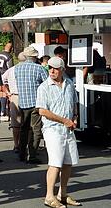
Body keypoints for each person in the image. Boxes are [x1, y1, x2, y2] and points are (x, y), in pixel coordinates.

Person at [36, 57, 80, 208]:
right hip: (52, 129)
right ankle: (49, 196)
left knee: (68, 162)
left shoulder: (69, 84)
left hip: (68, 129)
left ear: (62, 69)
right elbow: (42, 111)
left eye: (55, 68)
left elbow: (74, 103)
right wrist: (64, 120)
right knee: (55, 163)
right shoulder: (44, 87)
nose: (52, 71)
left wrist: (74, 118)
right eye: (50, 68)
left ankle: (63, 194)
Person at [15, 45, 48, 164]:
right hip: (36, 103)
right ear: (35, 57)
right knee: (36, 130)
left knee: (24, 129)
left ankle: (22, 153)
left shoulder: (17, 68)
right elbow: (47, 84)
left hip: (22, 102)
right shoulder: (39, 68)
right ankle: (32, 155)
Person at [2, 54, 23, 153]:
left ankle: (16, 144)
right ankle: (25, 144)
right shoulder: (33, 68)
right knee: (27, 122)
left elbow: (2, 80)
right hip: (25, 96)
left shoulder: (11, 70)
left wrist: (7, 92)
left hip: (15, 96)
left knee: (16, 123)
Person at [0, 42, 14, 118]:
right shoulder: (9, 56)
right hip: (5, 74)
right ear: (11, 49)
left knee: (0, 92)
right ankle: (4, 111)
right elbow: (10, 67)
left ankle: (1, 110)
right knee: (6, 92)